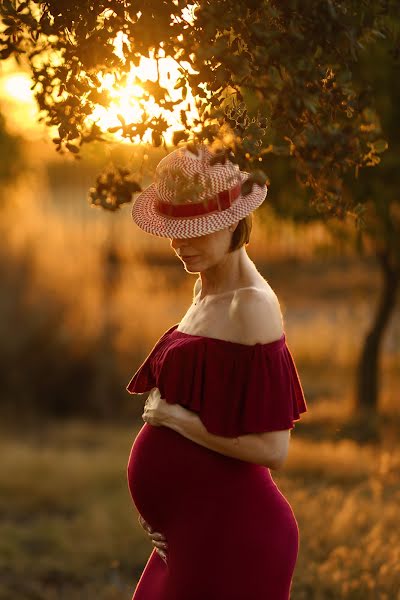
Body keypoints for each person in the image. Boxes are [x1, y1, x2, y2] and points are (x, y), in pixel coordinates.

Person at [126, 144, 308, 600]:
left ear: (230, 223)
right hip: (192, 534)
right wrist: (169, 515)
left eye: (193, 232)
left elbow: (273, 448)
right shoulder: (203, 289)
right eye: (175, 231)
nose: (178, 245)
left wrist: (175, 421)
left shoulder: (252, 304)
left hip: (235, 537)